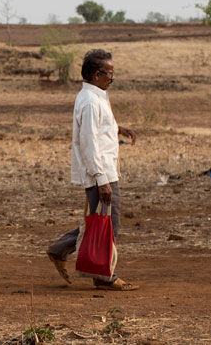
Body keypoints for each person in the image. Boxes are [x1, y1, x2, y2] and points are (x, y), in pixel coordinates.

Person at [47, 49, 139, 291]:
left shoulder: (96, 96)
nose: (112, 78)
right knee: (108, 225)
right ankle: (104, 276)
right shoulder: (90, 101)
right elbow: (88, 142)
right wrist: (101, 179)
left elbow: (97, 130)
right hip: (101, 172)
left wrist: (117, 129)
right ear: (96, 74)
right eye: (109, 73)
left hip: (105, 170)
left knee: (99, 222)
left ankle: (60, 250)